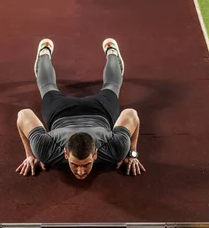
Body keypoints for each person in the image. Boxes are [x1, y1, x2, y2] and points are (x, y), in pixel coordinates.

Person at [16, 38, 145, 179]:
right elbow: (130, 114)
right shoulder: (44, 149)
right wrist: (30, 155)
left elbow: (24, 115)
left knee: (49, 87)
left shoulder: (45, 149)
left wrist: (132, 154)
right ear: (66, 153)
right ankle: (45, 50)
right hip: (98, 110)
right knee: (110, 87)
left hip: (64, 112)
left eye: (86, 164)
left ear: (95, 153)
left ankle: (111, 49)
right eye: (75, 164)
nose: (81, 172)